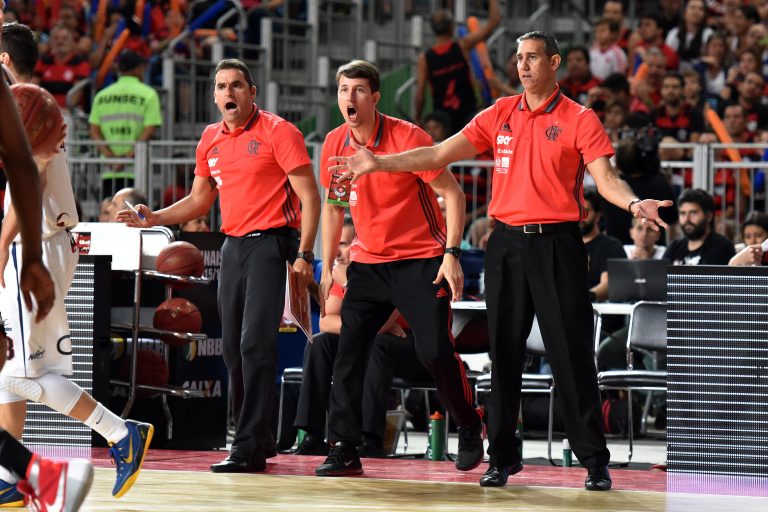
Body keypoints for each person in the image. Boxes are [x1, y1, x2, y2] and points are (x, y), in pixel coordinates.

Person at [331, 32, 672, 491]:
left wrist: (633, 204)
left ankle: (594, 460)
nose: (523, 66)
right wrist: (379, 163)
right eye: (518, 58)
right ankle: (503, 458)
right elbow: (437, 154)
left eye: (532, 58)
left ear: (554, 63)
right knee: (505, 353)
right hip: (506, 244)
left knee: (570, 354)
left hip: (558, 245)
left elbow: (606, 179)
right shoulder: (500, 113)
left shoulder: (579, 118)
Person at [117, 58, 320, 473]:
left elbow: (310, 197)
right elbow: (199, 200)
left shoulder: (279, 132)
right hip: (232, 246)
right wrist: (154, 218)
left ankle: (246, 446)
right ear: (214, 95)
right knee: (232, 349)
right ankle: (260, 438)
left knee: (255, 345)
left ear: (252, 93)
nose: (230, 92)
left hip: (271, 244)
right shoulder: (210, 138)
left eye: (237, 85)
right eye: (222, 86)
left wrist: (304, 254)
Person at [0, 20, 153, 505]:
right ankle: (9, 475)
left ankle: (120, 432)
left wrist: (2, 244)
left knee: (15, 374)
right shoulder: (41, 104)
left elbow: (33, 177)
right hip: (54, 241)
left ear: (4, 61)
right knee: (14, 372)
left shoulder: (22, 106)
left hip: (32, 244)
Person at [315, 59, 483, 477]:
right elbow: (334, 207)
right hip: (369, 263)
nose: (350, 98)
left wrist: (451, 253)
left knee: (435, 351)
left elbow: (454, 195)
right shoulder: (334, 143)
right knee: (349, 351)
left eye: (359, 90)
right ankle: (345, 447)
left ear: (375, 97)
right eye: (343, 90)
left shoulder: (408, 137)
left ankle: (469, 423)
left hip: (420, 261)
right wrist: (326, 263)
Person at [294, 218, 431, 458]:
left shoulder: (387, 265)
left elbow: (380, 323)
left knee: (377, 344)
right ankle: (313, 434)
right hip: (369, 336)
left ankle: (370, 438)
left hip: (412, 343)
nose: (338, 251)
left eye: (344, 243)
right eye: (337, 243)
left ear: (361, 243)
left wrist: (347, 284)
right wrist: (363, 324)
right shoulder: (343, 270)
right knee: (320, 343)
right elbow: (326, 321)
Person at [415, 0, 500, 134]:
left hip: (442, 122)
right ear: (451, 27)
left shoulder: (424, 59)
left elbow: (420, 96)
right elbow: (493, 22)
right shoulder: (462, 46)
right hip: (468, 115)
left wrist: (417, 118)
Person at [88, 49, 162, 198]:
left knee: (110, 208)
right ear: (138, 69)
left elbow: (94, 131)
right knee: (134, 210)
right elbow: (149, 130)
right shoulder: (148, 94)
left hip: (109, 169)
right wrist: (127, 158)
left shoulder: (101, 95)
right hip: (136, 168)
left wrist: (110, 157)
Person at [663, 189, 736, 265]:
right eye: (683, 213)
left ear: (709, 216)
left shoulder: (722, 247)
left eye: (693, 213)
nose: (687, 219)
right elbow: (660, 271)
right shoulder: (675, 247)